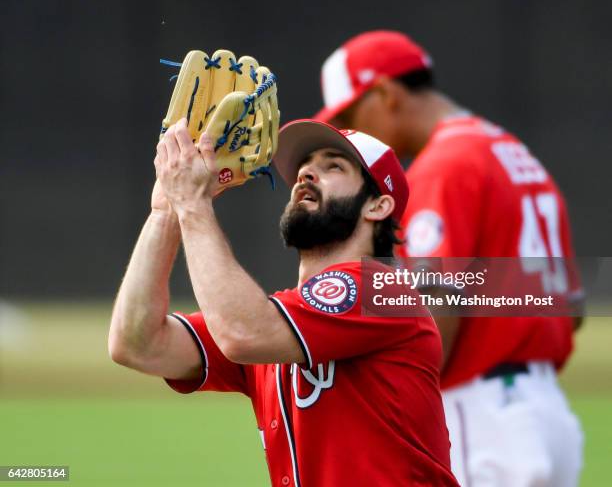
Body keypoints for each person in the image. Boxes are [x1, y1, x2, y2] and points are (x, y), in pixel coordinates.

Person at [108, 116, 459, 487]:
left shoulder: (383, 291)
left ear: (377, 206)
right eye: (304, 167)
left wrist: (194, 205)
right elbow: (138, 344)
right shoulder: (284, 322)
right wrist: (165, 212)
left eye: (333, 166)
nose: (307, 173)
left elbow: (244, 332)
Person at [314, 30, 583, 487]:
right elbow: (570, 308)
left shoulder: (446, 163)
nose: (349, 137)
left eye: (350, 117)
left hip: (484, 419)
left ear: (385, 94)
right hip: (544, 414)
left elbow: (438, 297)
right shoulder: (510, 151)